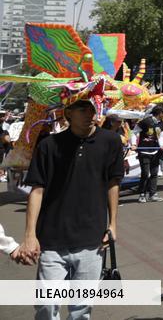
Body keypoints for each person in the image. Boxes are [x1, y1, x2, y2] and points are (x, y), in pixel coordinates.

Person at [11, 97, 124, 320]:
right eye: (82, 108)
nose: (89, 113)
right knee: (46, 305)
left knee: (81, 309)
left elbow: (113, 183)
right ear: (68, 113)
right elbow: (37, 190)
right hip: (52, 240)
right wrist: (29, 236)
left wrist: (112, 224)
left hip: (92, 239)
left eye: (91, 107)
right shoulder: (49, 145)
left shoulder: (111, 141)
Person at [132, 105, 163, 203]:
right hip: (144, 151)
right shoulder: (145, 121)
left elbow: (161, 135)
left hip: (155, 151)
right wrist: (134, 144)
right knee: (145, 173)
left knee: (154, 173)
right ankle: (142, 194)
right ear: (160, 113)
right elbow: (134, 132)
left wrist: (162, 145)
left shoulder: (161, 123)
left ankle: (152, 194)